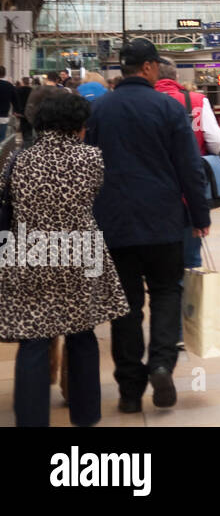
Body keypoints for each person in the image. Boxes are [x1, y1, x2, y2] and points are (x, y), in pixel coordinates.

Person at [85, 38, 211, 414]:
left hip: (114, 224)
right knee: (166, 293)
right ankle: (160, 364)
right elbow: (190, 167)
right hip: (162, 222)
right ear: (150, 67)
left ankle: (128, 389)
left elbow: (90, 168)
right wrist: (201, 217)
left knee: (123, 305)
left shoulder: (99, 111)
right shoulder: (168, 108)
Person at [0, 92, 129, 426]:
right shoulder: (92, 158)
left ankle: (31, 420)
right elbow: (94, 198)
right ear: (78, 123)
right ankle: (86, 416)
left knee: (34, 338)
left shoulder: (19, 159)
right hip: (80, 251)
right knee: (82, 334)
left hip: (31, 251)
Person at [155, 59, 220, 272]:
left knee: (159, 266)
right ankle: (187, 302)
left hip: (150, 197)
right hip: (188, 194)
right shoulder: (196, 100)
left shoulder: (142, 102)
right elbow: (216, 141)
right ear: (175, 77)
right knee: (190, 260)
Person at [13, 77, 33, 144]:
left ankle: (20, 140)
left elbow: (15, 101)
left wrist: (15, 111)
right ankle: (28, 142)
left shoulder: (17, 90)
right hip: (29, 112)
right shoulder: (32, 90)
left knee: (20, 126)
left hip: (20, 112)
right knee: (29, 128)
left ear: (22, 82)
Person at [0, 66, 14, 143]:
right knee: (2, 138)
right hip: (4, 116)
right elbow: (14, 100)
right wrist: (17, 111)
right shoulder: (9, 85)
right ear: (4, 74)